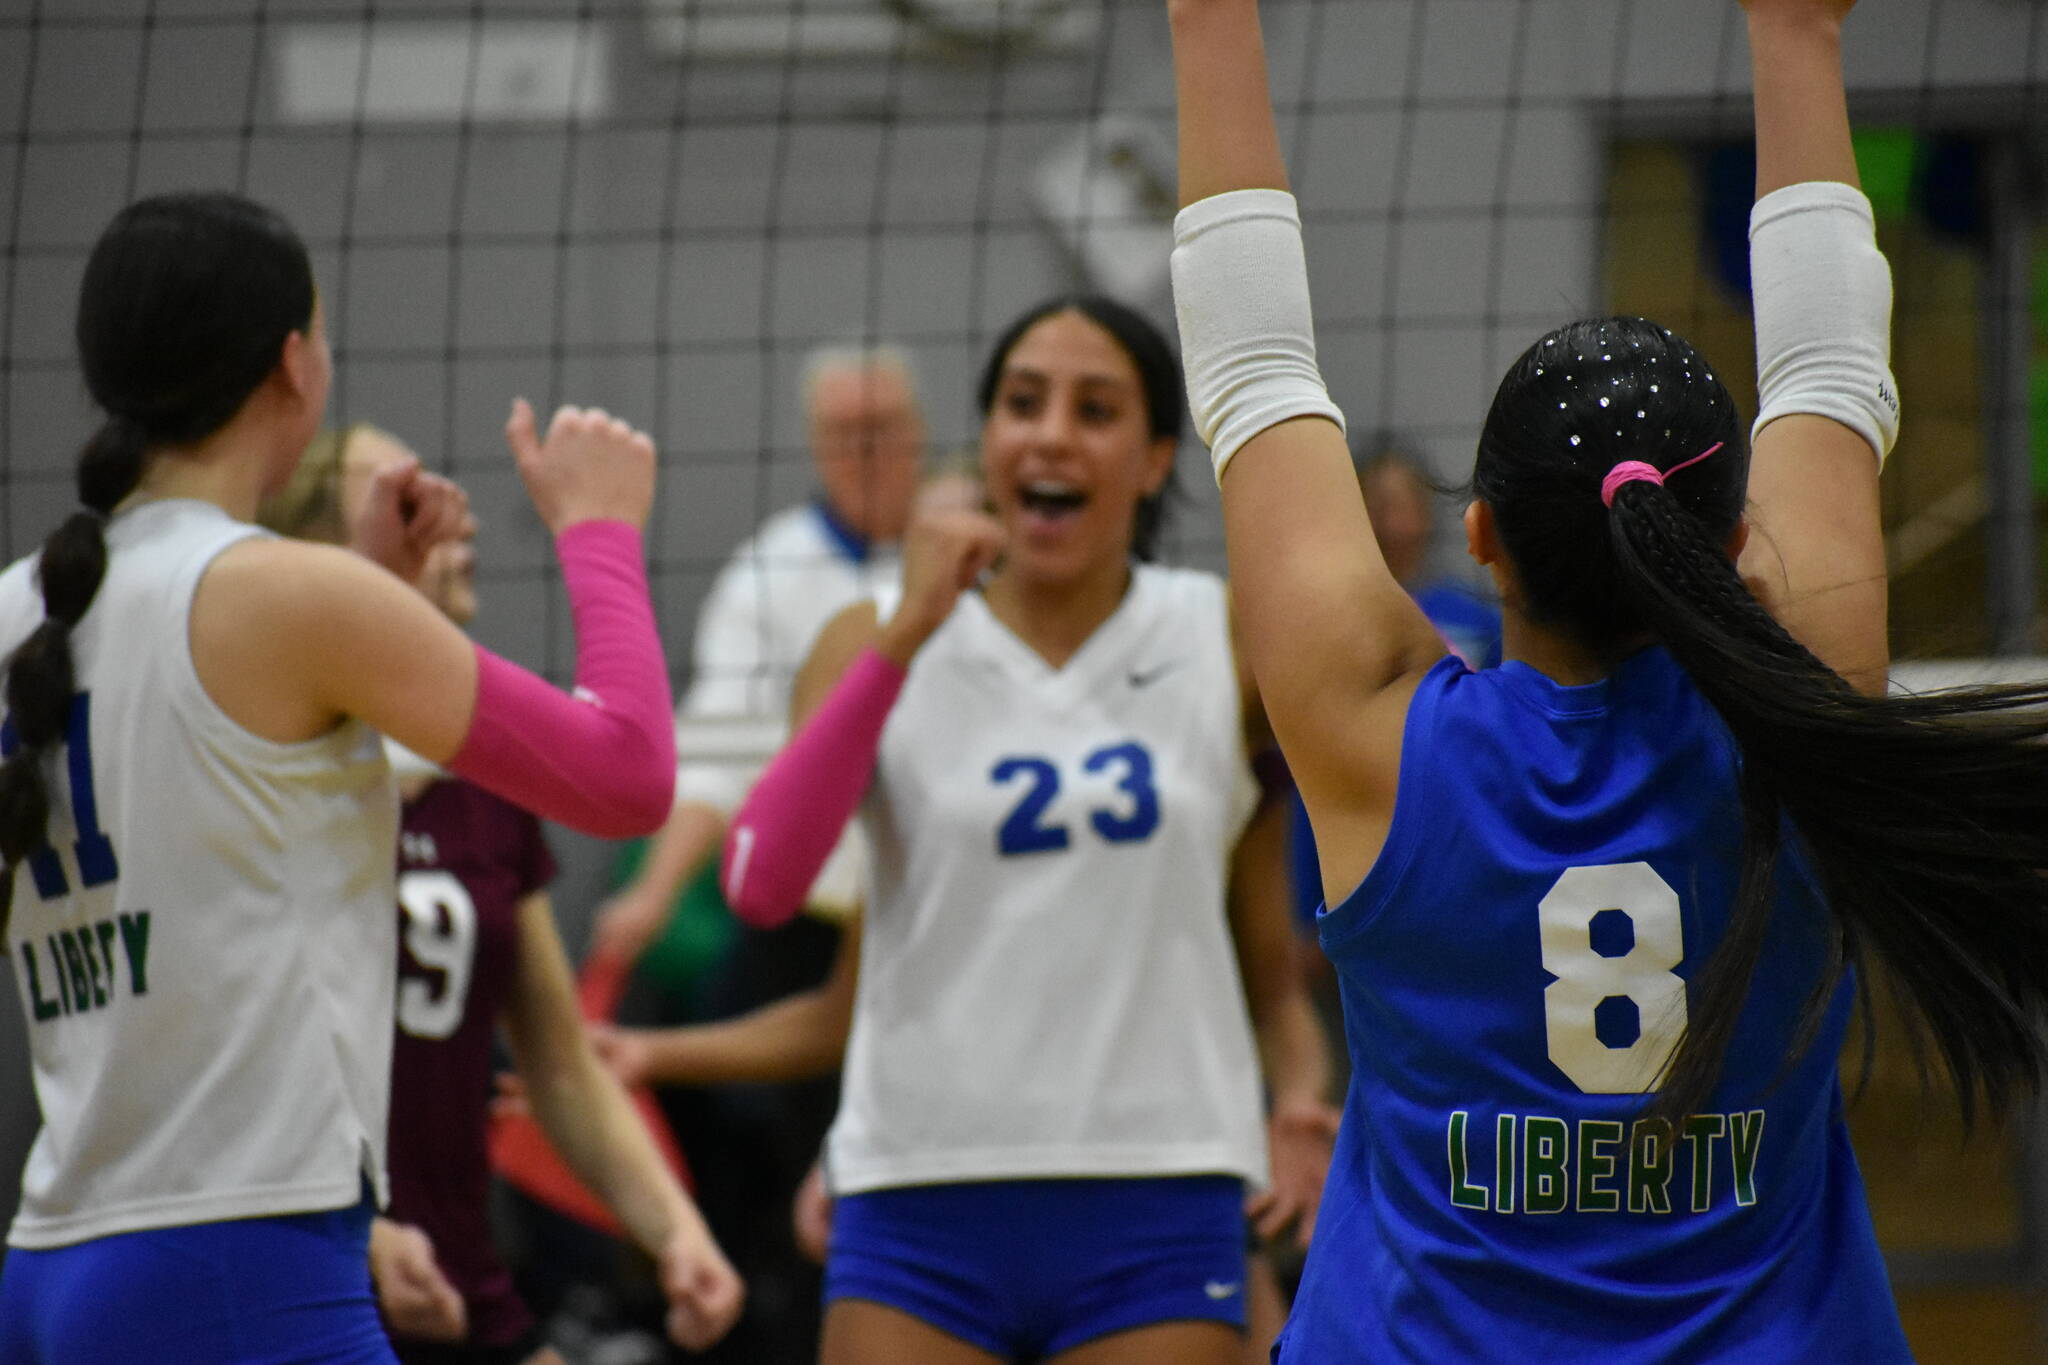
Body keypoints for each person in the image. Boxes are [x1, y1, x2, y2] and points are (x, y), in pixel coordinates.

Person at [1166, 0, 2048, 1357]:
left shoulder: (1378, 741)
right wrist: (1800, 35)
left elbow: (1253, 365)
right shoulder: (1811, 717)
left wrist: (1206, 21)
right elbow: (1833, 362)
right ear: (1740, 539)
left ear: (1477, 536)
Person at [0, 192, 693, 1364]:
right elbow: (627, 777)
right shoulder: (285, 599)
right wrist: (599, 529)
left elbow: (227, 787)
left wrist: (372, 588)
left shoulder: (23, 609)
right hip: (239, 1268)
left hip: (54, 1263)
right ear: (292, 363)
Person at [720, 293, 1338, 1365]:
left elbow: (1269, 966)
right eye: (1021, 403)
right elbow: (763, 885)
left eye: (1093, 410)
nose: (1050, 432)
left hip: (1157, 1188)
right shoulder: (869, 633)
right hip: (917, 1193)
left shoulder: (1224, 636)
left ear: (1151, 461)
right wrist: (907, 633)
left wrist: (1299, 1098)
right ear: (988, 440)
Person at [259, 425, 743, 1364]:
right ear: (326, 561)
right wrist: (359, 1234)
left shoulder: (485, 783)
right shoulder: (277, 775)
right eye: (409, 500)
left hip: (462, 1282)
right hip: (305, 1280)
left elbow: (558, 1063)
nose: (460, 521)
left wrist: (674, 1228)